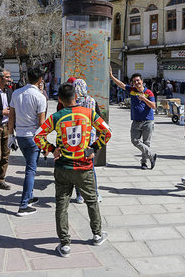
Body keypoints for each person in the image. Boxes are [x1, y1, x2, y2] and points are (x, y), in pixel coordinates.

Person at [34, 82, 112, 258]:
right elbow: (107, 132)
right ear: (76, 97)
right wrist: (93, 148)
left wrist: (52, 149)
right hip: (84, 167)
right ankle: (97, 235)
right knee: (91, 201)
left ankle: (65, 244)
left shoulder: (56, 117)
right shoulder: (89, 114)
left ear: (60, 99)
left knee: (62, 205)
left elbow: (38, 136)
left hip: (63, 167)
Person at [9, 66, 47, 216]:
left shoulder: (16, 93)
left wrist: (11, 135)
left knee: (30, 168)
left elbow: (11, 116)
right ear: (40, 80)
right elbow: (42, 123)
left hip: (20, 135)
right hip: (33, 137)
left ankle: (29, 197)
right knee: (31, 171)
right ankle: (24, 205)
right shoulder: (40, 97)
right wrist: (43, 143)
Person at [110, 69, 158, 169]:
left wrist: (144, 99)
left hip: (148, 121)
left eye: (138, 80)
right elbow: (121, 85)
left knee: (146, 143)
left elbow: (154, 106)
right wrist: (111, 76)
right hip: (136, 121)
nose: (136, 82)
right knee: (135, 141)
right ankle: (151, 156)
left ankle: (143, 163)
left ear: (142, 81)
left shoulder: (149, 92)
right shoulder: (132, 90)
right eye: (134, 81)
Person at [73, 79, 102, 203]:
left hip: (75, 139)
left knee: (77, 167)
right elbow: (98, 119)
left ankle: (79, 195)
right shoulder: (92, 101)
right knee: (90, 168)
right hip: (89, 139)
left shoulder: (72, 102)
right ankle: (94, 193)